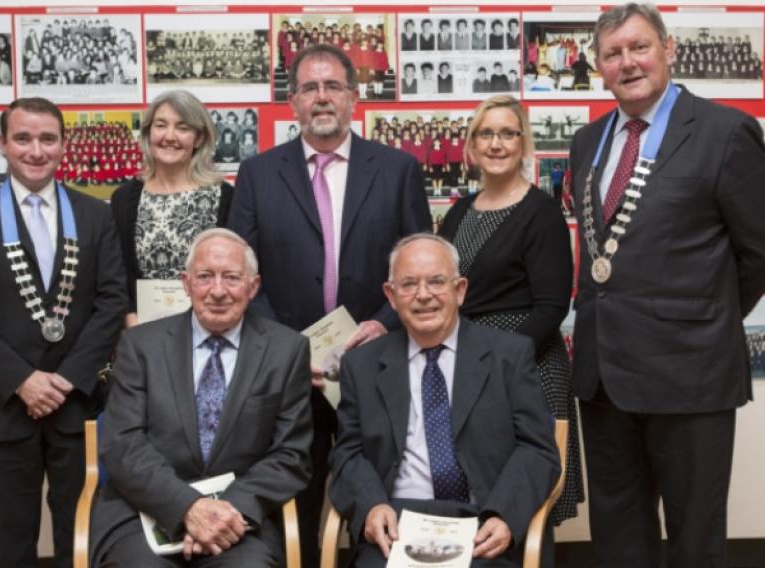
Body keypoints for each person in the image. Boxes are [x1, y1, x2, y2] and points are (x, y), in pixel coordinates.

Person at [568, 4, 765, 567]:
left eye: (639, 47)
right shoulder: (587, 142)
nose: (627, 62)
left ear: (669, 49)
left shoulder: (725, 132)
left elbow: (759, 252)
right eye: (613, 53)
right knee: (617, 536)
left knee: (694, 538)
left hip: (690, 375)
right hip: (604, 378)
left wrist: (702, 315)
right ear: (599, 66)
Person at [229, 44, 431, 567]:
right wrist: (285, 346)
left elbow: (419, 264)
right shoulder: (256, 174)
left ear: (354, 99)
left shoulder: (397, 169)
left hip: (378, 361)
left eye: (333, 86)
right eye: (310, 88)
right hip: (288, 368)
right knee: (298, 490)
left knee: (378, 488)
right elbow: (241, 274)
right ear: (292, 102)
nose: (322, 98)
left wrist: (385, 322)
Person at [328, 233, 560, 568]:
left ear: (460, 289)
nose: (423, 295)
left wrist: (506, 516)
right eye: (408, 284)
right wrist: (372, 505)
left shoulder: (508, 355)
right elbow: (347, 453)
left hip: (482, 525)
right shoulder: (361, 365)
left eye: (436, 281)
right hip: (397, 525)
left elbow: (538, 448)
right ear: (391, 296)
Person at [0, 97, 127, 567]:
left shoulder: (95, 214)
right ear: (2, 144)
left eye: (47, 139)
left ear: (63, 145)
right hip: (3, 403)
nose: (36, 150)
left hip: (75, 402)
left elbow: (111, 300)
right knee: (13, 541)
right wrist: (22, 380)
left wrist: (67, 378)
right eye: (23, 138)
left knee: (79, 535)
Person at [90, 228, 313, 567]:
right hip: (142, 511)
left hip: (236, 515)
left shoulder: (287, 350)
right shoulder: (141, 346)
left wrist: (221, 513)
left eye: (232, 278)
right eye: (205, 276)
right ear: (186, 282)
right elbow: (122, 444)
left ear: (253, 287)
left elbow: (290, 455)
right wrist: (187, 507)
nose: (218, 291)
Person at [438, 96, 583, 542]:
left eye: (507, 133)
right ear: (471, 146)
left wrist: (498, 358)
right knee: (476, 488)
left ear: (524, 144)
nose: (496, 144)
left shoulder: (542, 211)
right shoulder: (460, 210)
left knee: (526, 504)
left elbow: (552, 306)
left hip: (529, 363)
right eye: (486, 133)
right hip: (468, 363)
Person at [110, 89, 233, 328]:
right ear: (148, 133)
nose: (169, 136)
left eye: (183, 128)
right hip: (141, 334)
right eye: (160, 125)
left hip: (210, 331)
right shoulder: (124, 199)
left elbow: (234, 271)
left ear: (198, 138)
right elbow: (115, 272)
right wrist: (129, 319)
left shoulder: (225, 197)